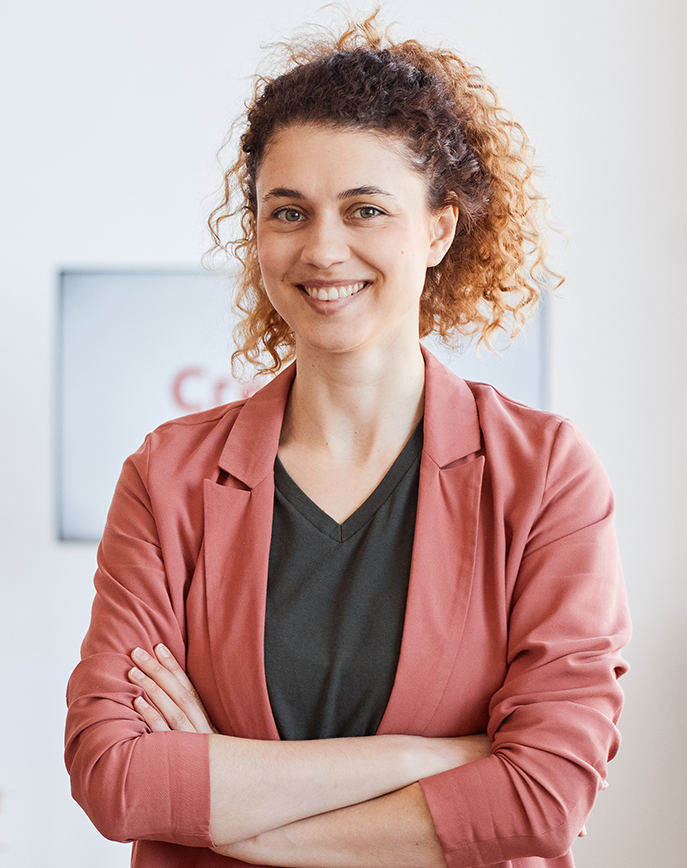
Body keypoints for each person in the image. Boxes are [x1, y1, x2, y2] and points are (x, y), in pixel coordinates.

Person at [65, 12, 631, 868]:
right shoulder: (168, 475)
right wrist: (424, 760)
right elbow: (114, 776)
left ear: (438, 228)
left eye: (365, 209)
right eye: (288, 212)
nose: (323, 249)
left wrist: (242, 819)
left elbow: (543, 795)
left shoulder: (544, 472)